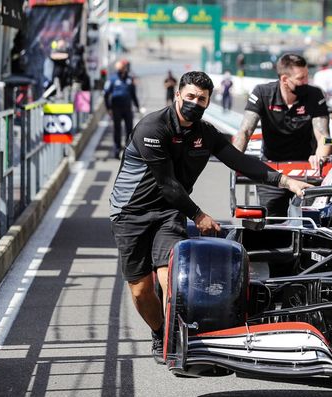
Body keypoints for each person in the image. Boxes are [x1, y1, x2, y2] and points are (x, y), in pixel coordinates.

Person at [109, 71, 311, 363]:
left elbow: (240, 161)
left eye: (201, 99)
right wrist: (199, 215)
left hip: (169, 213)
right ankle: (158, 330)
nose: (194, 102)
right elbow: (168, 185)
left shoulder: (206, 133)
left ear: (207, 103)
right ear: (178, 95)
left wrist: (285, 181)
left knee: (171, 277)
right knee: (140, 291)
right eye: (189, 96)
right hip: (131, 213)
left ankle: (176, 339)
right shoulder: (151, 128)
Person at [232, 53, 332, 218]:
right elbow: (245, 130)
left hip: (307, 168)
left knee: (310, 221)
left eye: (307, 76)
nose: (306, 81)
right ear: (285, 79)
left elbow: (323, 136)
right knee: (272, 222)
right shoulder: (263, 93)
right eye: (301, 78)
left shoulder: (315, 95)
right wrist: (235, 159)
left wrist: (320, 157)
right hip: (272, 168)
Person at [104, 59, 140, 158]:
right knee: (117, 129)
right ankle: (117, 150)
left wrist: (137, 106)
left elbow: (133, 94)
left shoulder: (129, 79)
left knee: (129, 130)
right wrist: (108, 108)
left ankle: (128, 150)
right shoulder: (112, 79)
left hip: (127, 108)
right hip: (116, 109)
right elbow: (106, 94)